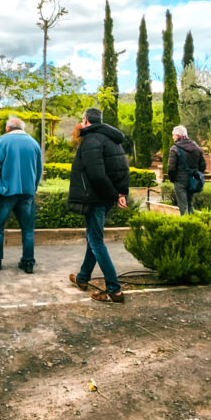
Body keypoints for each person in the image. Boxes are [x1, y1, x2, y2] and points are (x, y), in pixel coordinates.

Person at [67, 108, 130, 304]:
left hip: (94, 198)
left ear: (85, 120)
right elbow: (122, 169)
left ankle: (114, 289)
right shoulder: (112, 139)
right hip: (105, 197)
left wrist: (114, 194)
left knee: (96, 241)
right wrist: (121, 193)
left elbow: (96, 174)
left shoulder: (90, 140)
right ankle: (83, 278)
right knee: (93, 237)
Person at [0, 116, 42, 273]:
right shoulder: (33, 143)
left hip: (5, 191)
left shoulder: (3, 142)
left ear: (7, 128)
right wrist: (33, 187)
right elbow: (39, 169)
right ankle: (28, 262)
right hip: (27, 192)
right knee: (28, 229)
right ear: (22, 128)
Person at [166, 125, 206, 215]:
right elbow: (203, 166)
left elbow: (171, 168)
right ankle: (193, 224)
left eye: (173, 135)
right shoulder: (196, 148)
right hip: (192, 180)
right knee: (190, 204)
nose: (172, 137)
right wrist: (195, 172)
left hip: (180, 181)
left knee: (183, 206)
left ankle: (186, 226)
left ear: (177, 135)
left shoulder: (174, 149)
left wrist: (173, 179)